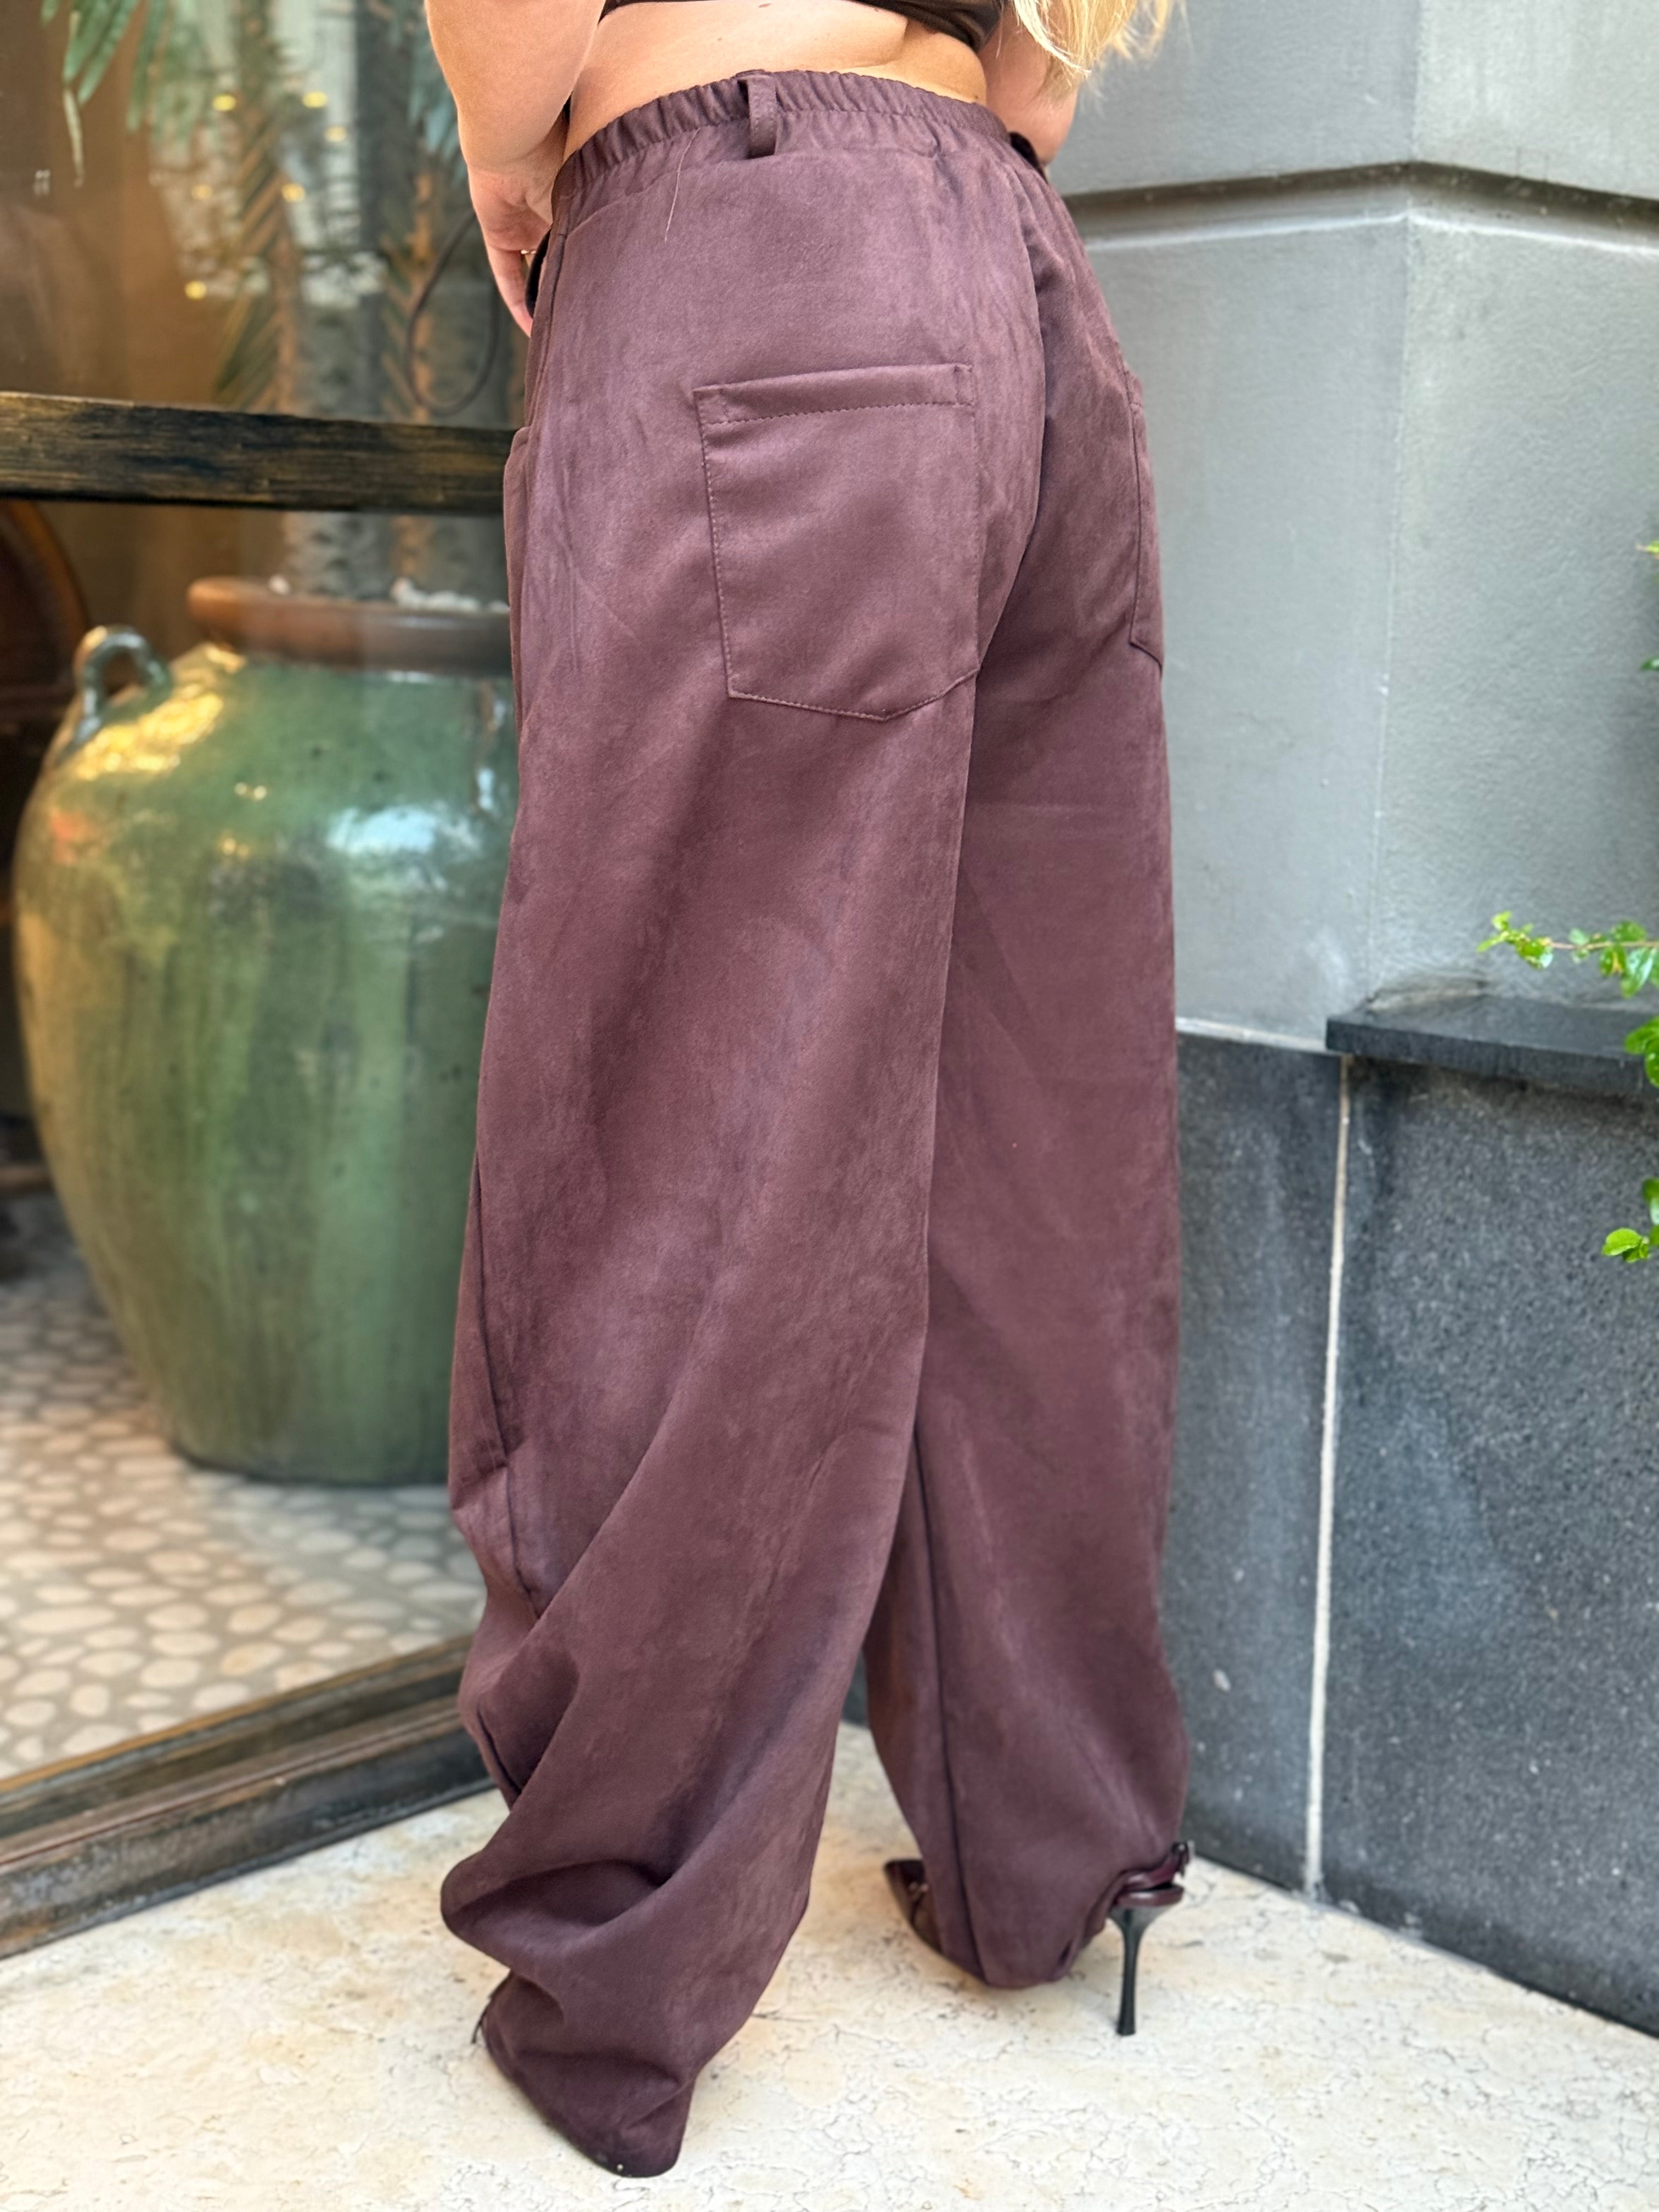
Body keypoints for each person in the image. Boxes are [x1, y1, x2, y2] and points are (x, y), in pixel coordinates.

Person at [425, 0, 1190, 2176]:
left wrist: (507, 155)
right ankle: (1057, 1858)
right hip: (1013, 286)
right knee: (1025, 1138)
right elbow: (1039, 79)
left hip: (755, 252)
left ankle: (623, 1941)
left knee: (684, 1127)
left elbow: (514, 43)